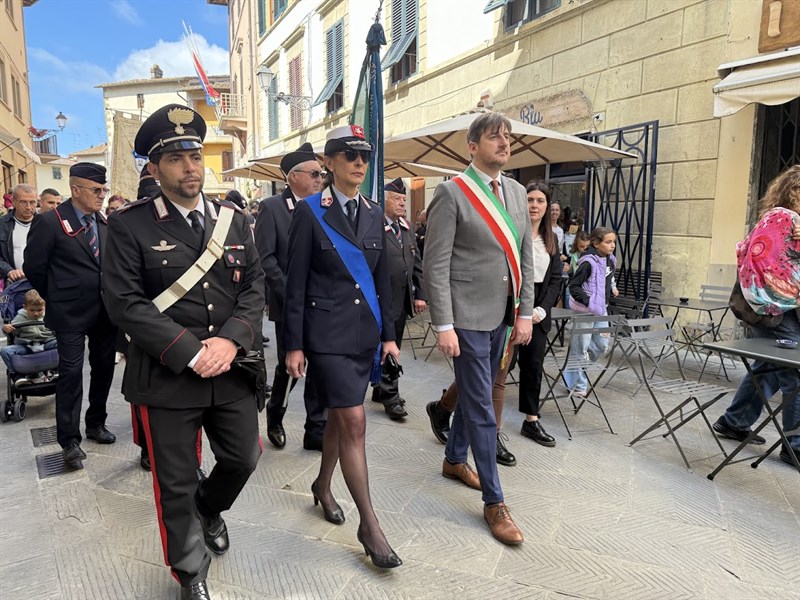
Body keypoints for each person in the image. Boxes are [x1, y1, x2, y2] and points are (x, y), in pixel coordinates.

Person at [102, 104, 264, 600]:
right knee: (174, 483)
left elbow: (254, 286)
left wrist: (230, 339)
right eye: (175, 158)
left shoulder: (234, 222)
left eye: (194, 154)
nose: (190, 166)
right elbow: (124, 303)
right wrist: (192, 351)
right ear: (154, 169)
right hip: (168, 374)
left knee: (243, 459)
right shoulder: (128, 226)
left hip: (230, 370)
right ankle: (190, 573)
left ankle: (211, 508)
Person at [283, 124, 402, 568]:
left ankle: (322, 485)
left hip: (364, 334)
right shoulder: (310, 212)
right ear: (329, 164)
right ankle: (369, 525)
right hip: (327, 335)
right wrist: (293, 345)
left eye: (364, 157)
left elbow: (382, 282)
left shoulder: (375, 214)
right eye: (348, 156)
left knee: (340, 415)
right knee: (353, 421)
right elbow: (295, 284)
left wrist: (389, 335)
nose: (358, 163)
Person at [423, 111, 534, 545]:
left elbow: (523, 256)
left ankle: (454, 459)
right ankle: (494, 501)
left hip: (503, 316)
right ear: (472, 146)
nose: (504, 144)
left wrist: (524, 312)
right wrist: (443, 324)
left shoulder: (520, 192)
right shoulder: (452, 194)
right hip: (465, 318)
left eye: (508, 138)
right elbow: (436, 264)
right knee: (484, 406)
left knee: (479, 396)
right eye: (494, 138)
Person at [25, 163, 118, 469]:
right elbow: (34, 266)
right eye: (96, 190)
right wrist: (55, 295)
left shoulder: (102, 223)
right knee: (71, 374)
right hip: (68, 313)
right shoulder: (51, 222)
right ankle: (69, 440)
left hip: (103, 312)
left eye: (103, 190)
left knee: (104, 368)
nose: (102, 195)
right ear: (76, 190)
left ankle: (96, 423)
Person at [713, 165, 800, 466]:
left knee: (768, 368)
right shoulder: (782, 217)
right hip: (777, 310)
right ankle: (795, 445)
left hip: (774, 311)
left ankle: (734, 421)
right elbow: (766, 262)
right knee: (795, 374)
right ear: (795, 191)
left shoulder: (785, 220)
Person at [254, 142, 326, 450]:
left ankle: (316, 429)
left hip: (322, 304)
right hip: (290, 304)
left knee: (320, 364)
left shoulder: (324, 206)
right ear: (293, 176)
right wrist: (293, 293)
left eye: (321, 174)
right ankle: (276, 415)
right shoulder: (272, 208)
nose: (320, 179)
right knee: (289, 366)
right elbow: (266, 258)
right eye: (314, 173)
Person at [371, 178, 426, 420]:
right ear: (383, 201)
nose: (402, 203)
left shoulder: (407, 227)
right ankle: (389, 396)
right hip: (380, 298)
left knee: (393, 346)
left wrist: (420, 293)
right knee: (384, 347)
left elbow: (417, 262)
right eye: (397, 199)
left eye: (404, 199)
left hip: (401, 298)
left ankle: (383, 389)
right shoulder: (373, 226)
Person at [517, 180, 564, 447]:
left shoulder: (552, 239)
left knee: (533, 366)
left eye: (540, 201)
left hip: (539, 307)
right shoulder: (515, 232)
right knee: (501, 366)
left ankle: (531, 420)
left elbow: (556, 279)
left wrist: (541, 310)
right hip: (513, 305)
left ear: (548, 207)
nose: (534, 205)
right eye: (530, 200)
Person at [564, 226, 618, 396]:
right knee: (581, 348)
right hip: (585, 311)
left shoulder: (611, 260)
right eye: (608, 242)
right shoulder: (588, 262)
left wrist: (611, 291)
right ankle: (578, 385)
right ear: (596, 243)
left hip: (603, 310)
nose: (612, 245)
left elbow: (608, 280)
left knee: (601, 346)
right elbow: (573, 286)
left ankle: (571, 374)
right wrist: (589, 301)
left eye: (614, 242)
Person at [0, 289, 58, 384]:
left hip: (47, 343)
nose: (36, 313)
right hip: (27, 346)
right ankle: (16, 375)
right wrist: (6, 329)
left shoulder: (49, 315)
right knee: (5, 351)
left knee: (65, 343)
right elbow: (12, 335)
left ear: (45, 307)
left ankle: (56, 370)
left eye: (39, 310)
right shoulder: (19, 318)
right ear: (25, 307)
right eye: (32, 310)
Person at [0, 183, 38, 284]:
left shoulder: (46, 224)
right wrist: (9, 270)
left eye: (32, 202)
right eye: (23, 202)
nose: (28, 207)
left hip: (42, 284)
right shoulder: (2, 225)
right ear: (13, 202)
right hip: (15, 285)